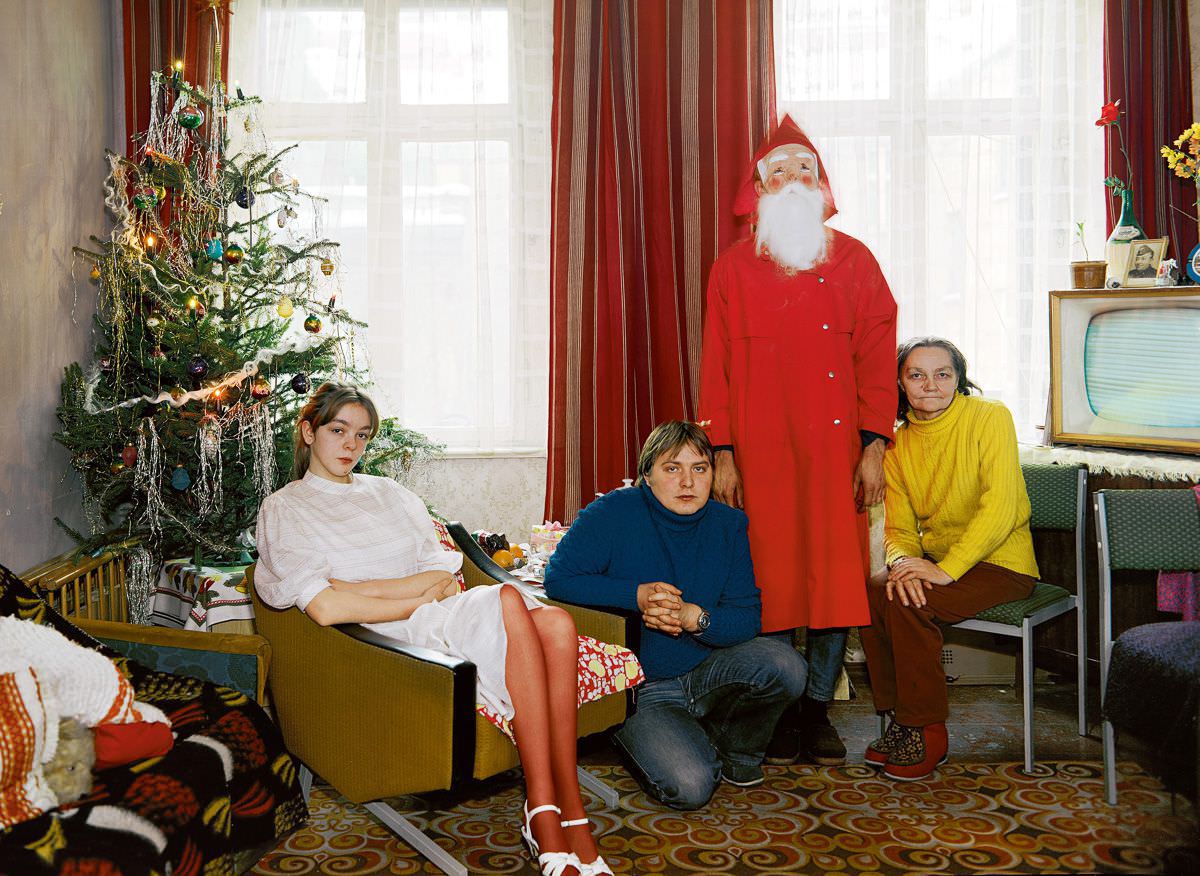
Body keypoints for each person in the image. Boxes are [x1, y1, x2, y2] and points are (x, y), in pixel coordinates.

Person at [254, 382, 609, 876]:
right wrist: (411, 596)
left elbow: (442, 577)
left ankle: (561, 807)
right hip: (383, 643)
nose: (351, 446)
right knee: (510, 598)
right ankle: (551, 811)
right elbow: (326, 609)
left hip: (438, 614)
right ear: (308, 431)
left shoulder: (390, 493)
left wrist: (381, 589)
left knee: (557, 622)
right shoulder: (285, 509)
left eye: (362, 435)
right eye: (338, 431)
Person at [698, 115, 898, 766]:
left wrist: (874, 446)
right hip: (757, 452)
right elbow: (715, 367)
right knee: (772, 580)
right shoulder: (730, 269)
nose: (791, 181)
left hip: (837, 452)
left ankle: (816, 713)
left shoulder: (857, 261)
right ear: (758, 187)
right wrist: (720, 453)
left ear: (820, 184)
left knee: (834, 584)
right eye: (777, 171)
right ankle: (778, 706)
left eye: (802, 170)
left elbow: (875, 360)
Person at [544, 421, 807, 810]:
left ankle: (736, 753)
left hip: (706, 667)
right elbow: (559, 580)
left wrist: (694, 618)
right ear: (647, 474)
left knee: (787, 664)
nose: (687, 481)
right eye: (672, 468)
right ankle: (642, 733)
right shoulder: (613, 511)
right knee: (690, 788)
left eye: (699, 468)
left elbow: (747, 618)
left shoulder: (728, 525)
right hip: (639, 684)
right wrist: (636, 595)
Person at [860, 338, 1038, 781]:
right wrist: (902, 563)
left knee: (909, 601)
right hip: (943, 565)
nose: (931, 385)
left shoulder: (989, 416)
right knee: (874, 589)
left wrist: (944, 570)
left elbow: (1004, 506)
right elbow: (899, 530)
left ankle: (927, 730)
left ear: (959, 378)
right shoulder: (896, 445)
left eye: (943, 373)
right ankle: (900, 719)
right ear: (900, 384)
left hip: (1003, 564)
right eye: (916, 375)